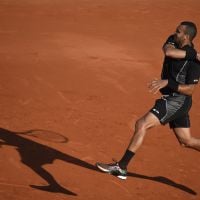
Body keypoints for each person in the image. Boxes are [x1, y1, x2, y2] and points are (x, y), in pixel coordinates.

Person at [96, 21, 200, 180]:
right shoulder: (174, 40)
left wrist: (168, 82)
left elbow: (190, 90)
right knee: (186, 141)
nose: (174, 33)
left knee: (141, 124)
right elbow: (169, 52)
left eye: (178, 32)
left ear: (186, 36)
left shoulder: (194, 64)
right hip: (173, 99)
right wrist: (196, 54)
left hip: (177, 101)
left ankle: (121, 167)